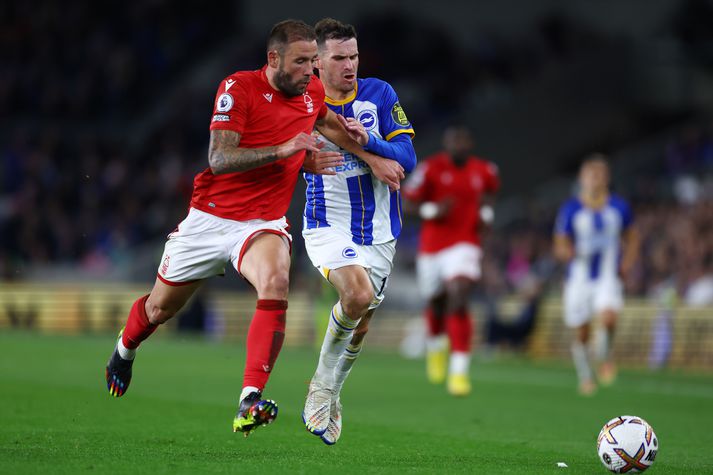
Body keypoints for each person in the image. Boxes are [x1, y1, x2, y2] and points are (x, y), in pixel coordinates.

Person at [103, 19, 404, 437]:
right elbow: (219, 158)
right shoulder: (237, 89)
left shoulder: (311, 92)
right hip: (211, 218)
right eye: (301, 62)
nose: (309, 72)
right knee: (160, 309)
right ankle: (125, 348)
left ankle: (249, 399)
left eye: (313, 62)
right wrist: (287, 151)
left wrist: (372, 157)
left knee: (276, 279)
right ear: (274, 59)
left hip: (262, 222)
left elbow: (330, 125)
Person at [300, 18, 416, 445]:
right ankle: (321, 387)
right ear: (317, 63)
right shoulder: (302, 100)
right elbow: (277, 156)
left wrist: (372, 143)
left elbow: (407, 156)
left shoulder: (380, 94)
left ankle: (335, 391)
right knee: (358, 296)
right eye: (339, 58)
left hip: (380, 231)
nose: (349, 65)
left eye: (354, 56)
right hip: (326, 222)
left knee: (361, 321)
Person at [402, 125, 500, 396]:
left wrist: (487, 213)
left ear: (470, 143)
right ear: (447, 144)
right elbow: (407, 202)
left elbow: (491, 193)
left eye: (463, 140)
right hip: (432, 248)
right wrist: (431, 209)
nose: (459, 145)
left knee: (458, 297)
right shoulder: (430, 168)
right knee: (436, 302)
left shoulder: (485, 170)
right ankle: (435, 345)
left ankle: (459, 372)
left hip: (465, 243)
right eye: (454, 140)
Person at [553, 155, 639, 395]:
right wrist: (565, 252)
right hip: (578, 279)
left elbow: (632, 237)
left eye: (600, 174)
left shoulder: (619, 207)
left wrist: (628, 262)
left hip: (607, 277)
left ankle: (604, 355)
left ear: (607, 178)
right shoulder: (571, 209)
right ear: (582, 178)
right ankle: (585, 375)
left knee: (609, 318)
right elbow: (560, 242)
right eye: (591, 174)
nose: (595, 179)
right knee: (582, 332)